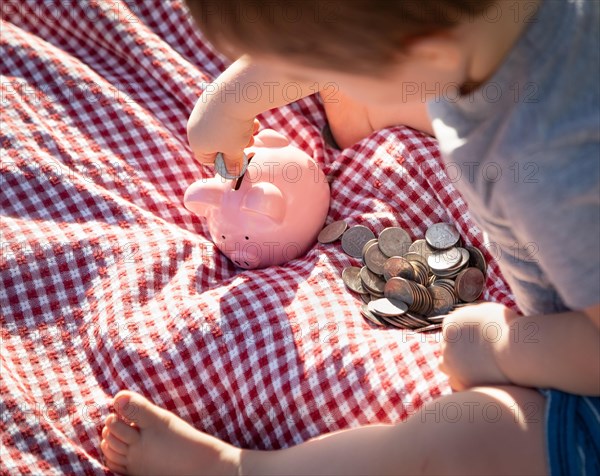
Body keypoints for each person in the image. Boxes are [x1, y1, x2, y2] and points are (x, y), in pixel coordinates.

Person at [100, 1, 600, 474]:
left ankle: (239, 468)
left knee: (465, 440)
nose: (318, 85)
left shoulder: (555, 171)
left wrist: (500, 347)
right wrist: (229, 104)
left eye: (331, 73)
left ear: (424, 47)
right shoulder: (490, 33)